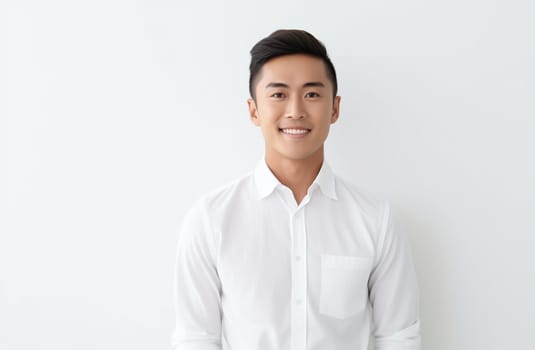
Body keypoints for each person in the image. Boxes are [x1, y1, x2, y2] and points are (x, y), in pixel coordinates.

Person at [172, 29, 420, 350]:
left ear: (335, 108)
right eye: (278, 94)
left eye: (312, 94)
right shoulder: (211, 220)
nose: (295, 111)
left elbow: (398, 336)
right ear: (253, 111)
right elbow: (196, 339)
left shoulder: (376, 219)